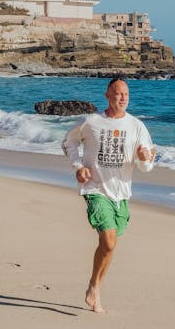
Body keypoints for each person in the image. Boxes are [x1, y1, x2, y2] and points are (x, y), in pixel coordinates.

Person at [62, 77, 155, 313]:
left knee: (109, 246)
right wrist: (78, 167)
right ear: (107, 95)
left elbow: (147, 164)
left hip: (121, 194)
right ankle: (95, 288)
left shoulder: (137, 126)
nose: (122, 97)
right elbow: (68, 142)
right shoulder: (91, 121)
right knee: (109, 240)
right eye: (117, 93)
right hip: (95, 189)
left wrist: (144, 159)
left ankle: (94, 286)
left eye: (125, 94)